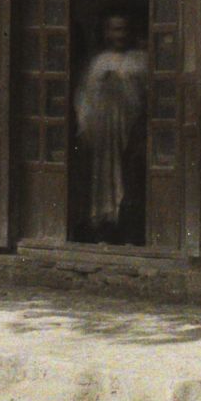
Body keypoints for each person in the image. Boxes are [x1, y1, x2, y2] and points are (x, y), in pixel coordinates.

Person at [74, 14, 148, 238]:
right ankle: (105, 224)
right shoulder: (99, 63)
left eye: (123, 29)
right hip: (105, 134)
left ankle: (130, 226)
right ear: (107, 33)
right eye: (115, 30)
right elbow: (85, 98)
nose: (120, 35)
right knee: (105, 178)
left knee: (132, 178)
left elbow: (146, 95)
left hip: (131, 131)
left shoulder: (140, 60)